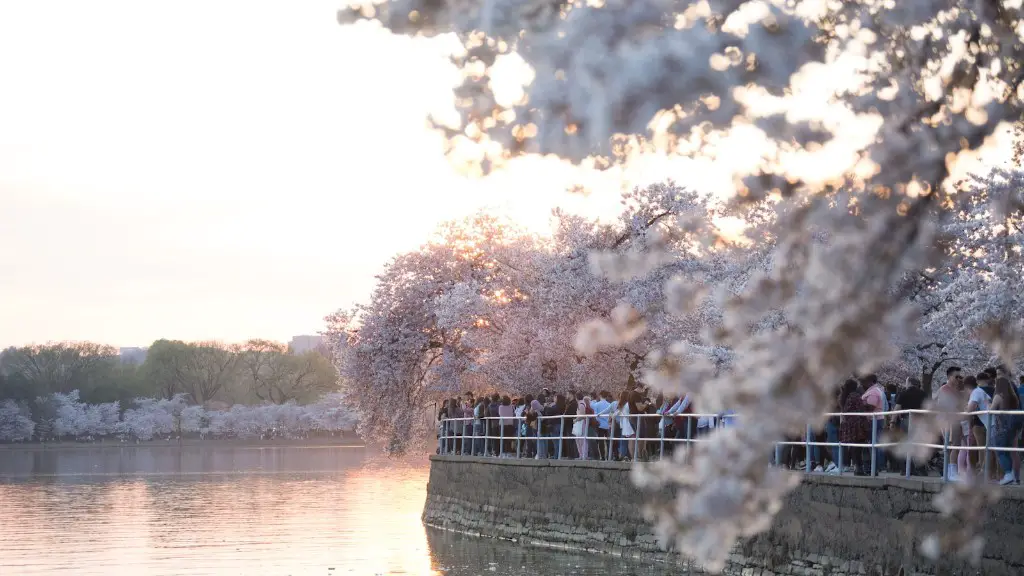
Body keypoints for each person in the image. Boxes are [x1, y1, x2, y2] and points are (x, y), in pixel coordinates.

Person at [936, 366, 967, 481]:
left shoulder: (957, 390)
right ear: (949, 377)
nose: (959, 379)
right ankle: (951, 472)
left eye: (960, 377)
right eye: (956, 377)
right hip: (949, 420)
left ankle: (949, 472)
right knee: (954, 445)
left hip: (955, 419)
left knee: (954, 446)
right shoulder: (945, 389)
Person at [990, 377, 1022, 485]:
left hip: (1001, 427)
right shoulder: (1013, 397)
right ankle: (1013, 475)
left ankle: (1008, 474)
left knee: (1001, 452)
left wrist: (987, 405)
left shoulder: (998, 396)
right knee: (1008, 451)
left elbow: (992, 410)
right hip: (1012, 428)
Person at [839, 378, 872, 476]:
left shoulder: (844, 397)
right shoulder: (855, 396)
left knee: (854, 447)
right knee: (859, 447)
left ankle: (857, 468)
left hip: (848, 424)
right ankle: (859, 469)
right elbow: (861, 408)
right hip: (857, 425)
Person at [968, 372, 996, 481]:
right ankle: (995, 474)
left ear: (977, 380)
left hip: (984, 423)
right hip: (995, 422)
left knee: (984, 449)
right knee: (993, 449)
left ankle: (983, 473)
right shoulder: (994, 390)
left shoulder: (977, 391)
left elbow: (970, 408)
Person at [860, 374, 887, 475]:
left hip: (873, 420)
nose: (863, 384)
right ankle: (874, 466)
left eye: (864, 381)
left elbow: (871, 406)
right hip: (876, 419)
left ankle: (875, 467)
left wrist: (860, 403)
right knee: (874, 442)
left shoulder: (873, 392)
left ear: (870, 381)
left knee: (873, 443)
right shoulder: (876, 390)